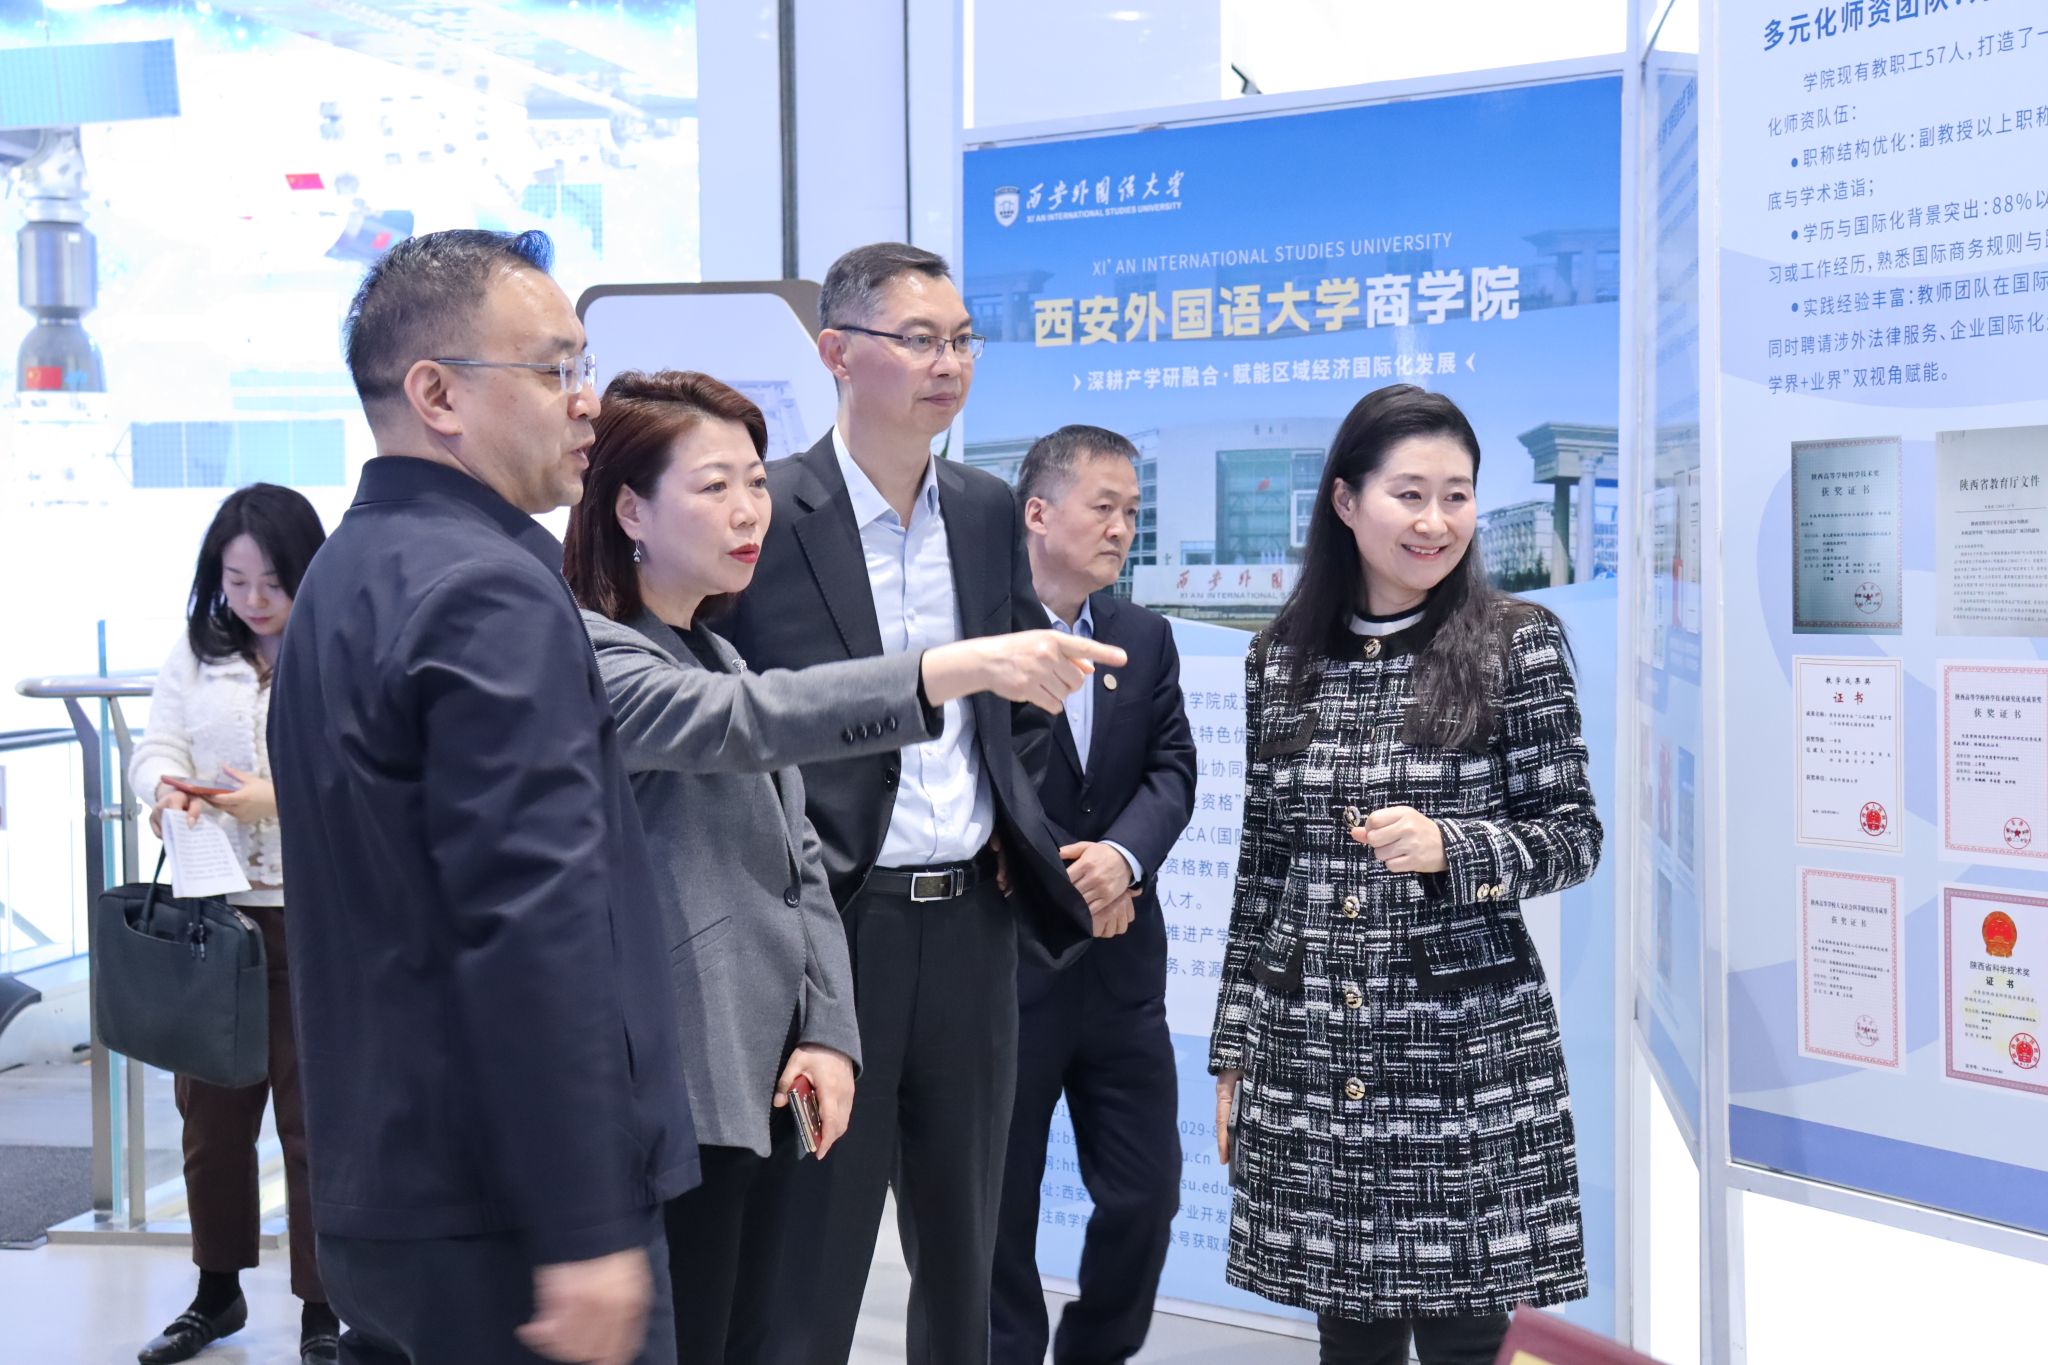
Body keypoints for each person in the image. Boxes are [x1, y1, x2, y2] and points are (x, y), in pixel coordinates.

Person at [560, 369, 1124, 1362]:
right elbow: (749, 722)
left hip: (765, 1072)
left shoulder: (714, 652)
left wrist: (827, 1028)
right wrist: (955, 667)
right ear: (629, 509)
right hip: (676, 1084)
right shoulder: (595, 654)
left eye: (753, 482)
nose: (749, 511)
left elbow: (801, 861)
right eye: (714, 486)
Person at [267, 229, 695, 1365]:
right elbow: (533, 920)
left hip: (390, 1187)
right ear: (437, 395)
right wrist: (587, 1224)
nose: (587, 400)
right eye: (554, 369)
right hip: (504, 1215)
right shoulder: (487, 592)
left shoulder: (350, 571)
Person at [721, 242, 1109, 1365]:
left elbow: (1015, 704)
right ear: (838, 354)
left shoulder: (985, 510)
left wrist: (1016, 828)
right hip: (835, 931)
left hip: (974, 928)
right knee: (811, 1253)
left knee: (967, 1251)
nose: (950, 363)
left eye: (962, 340)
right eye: (920, 340)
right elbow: (738, 717)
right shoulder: (769, 511)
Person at [1209, 384, 1602, 1365]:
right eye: (1410, 494)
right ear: (1346, 501)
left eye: (1456, 496)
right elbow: (1263, 868)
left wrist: (1452, 847)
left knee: (1468, 1334)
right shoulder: (1279, 659)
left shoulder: (1515, 641)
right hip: (1311, 1045)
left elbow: (1571, 836)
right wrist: (1234, 1049)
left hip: (1459, 1050)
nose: (1436, 522)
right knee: (1349, 1333)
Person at [992, 426, 1198, 1365]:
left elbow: (1172, 770)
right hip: (1007, 967)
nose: (1123, 528)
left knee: (1146, 1193)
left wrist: (1124, 857)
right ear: (1038, 512)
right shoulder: (976, 635)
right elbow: (976, 779)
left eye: (1133, 511)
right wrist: (1075, 886)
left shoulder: (1141, 637)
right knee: (997, 1204)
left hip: (1121, 974)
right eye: (1104, 507)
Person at [127, 485, 336, 1365]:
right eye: (235, 580)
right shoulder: (196, 652)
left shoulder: (338, 650)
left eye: (271, 582)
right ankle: (217, 1293)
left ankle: (324, 1307)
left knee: (314, 1124)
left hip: (316, 921)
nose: (252, 599)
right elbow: (155, 747)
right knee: (211, 1123)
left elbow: (360, 776)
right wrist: (164, 792)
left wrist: (271, 801)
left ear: (307, 572)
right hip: (217, 922)